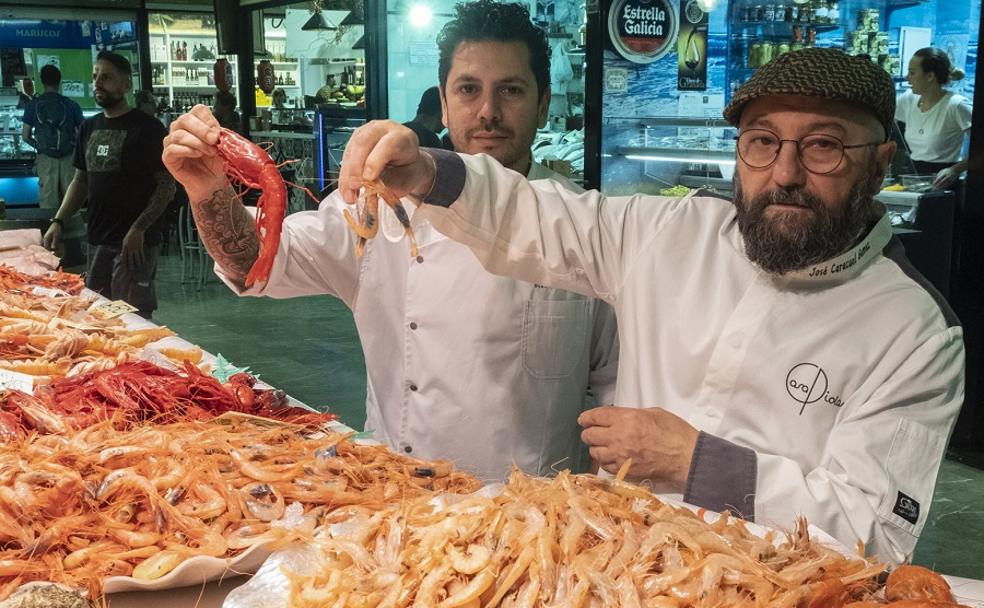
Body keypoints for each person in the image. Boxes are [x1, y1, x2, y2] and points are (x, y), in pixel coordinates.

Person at [335, 48, 964, 564]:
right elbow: (537, 216)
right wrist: (427, 174)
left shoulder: (914, 333)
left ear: (880, 164)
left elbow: (873, 532)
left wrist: (695, 460)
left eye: (823, 146)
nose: (785, 173)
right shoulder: (673, 233)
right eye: (762, 142)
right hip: (615, 568)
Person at [161, 0, 618, 481]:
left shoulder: (586, 225)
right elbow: (255, 264)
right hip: (396, 496)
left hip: (533, 518)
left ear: (543, 103)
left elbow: (616, 388)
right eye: (468, 90)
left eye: (511, 90)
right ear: (443, 103)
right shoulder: (377, 205)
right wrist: (207, 190)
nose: (488, 111)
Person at [43, 51, 175, 319]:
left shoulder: (148, 129)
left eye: (106, 77)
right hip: (99, 241)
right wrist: (58, 221)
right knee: (98, 315)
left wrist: (139, 229)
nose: (98, 83)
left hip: (134, 247)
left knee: (131, 319)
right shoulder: (88, 128)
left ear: (126, 85)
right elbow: (80, 181)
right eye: (95, 77)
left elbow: (167, 186)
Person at [896, 48, 972, 191]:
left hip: (945, 181)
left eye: (912, 72)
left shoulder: (956, 105)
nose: (907, 77)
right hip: (913, 179)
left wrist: (955, 170)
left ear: (930, 76)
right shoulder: (908, 99)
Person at [21, 65, 84, 211]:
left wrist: (40, 147)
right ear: (59, 81)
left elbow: (25, 136)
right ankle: (72, 232)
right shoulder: (71, 104)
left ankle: (50, 232)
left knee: (48, 203)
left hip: (45, 159)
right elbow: (82, 134)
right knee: (70, 202)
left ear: (42, 82)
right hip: (69, 158)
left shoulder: (33, 105)